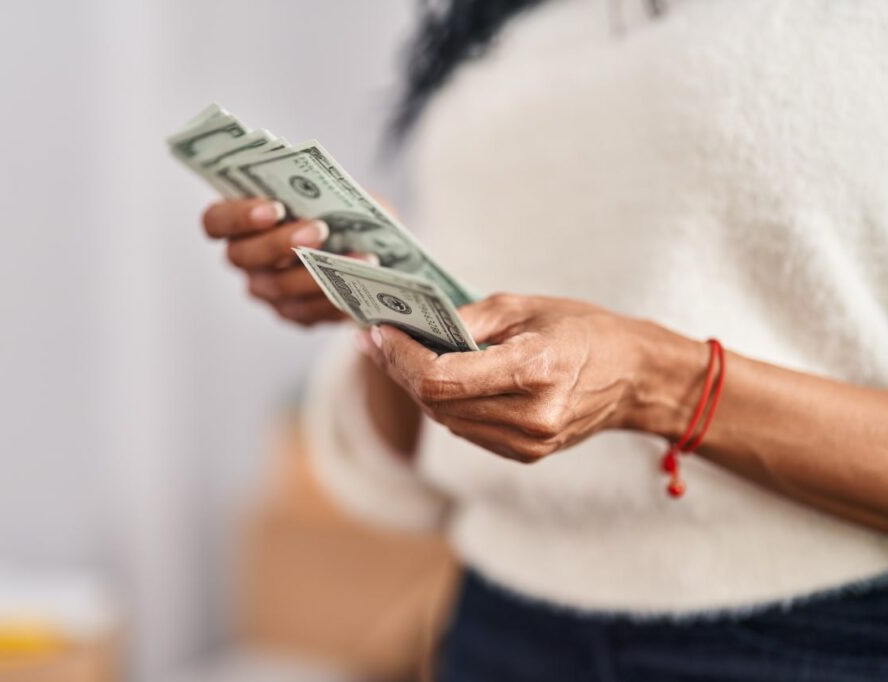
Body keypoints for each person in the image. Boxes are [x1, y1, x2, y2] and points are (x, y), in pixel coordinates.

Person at [200, 0, 888, 679]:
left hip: (817, 640)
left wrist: (659, 382)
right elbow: (415, 458)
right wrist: (372, 292)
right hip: (497, 626)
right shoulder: (506, 26)